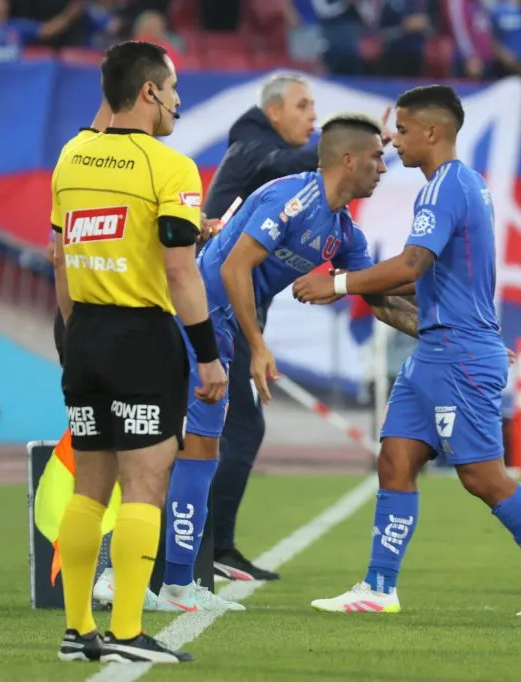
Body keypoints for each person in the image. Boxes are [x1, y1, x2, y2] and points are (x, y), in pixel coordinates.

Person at [294, 84, 521, 616]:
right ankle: (379, 587)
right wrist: (361, 283)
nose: (395, 144)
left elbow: (411, 266)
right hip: (435, 351)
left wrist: (339, 285)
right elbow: (429, 275)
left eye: (403, 132)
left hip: (459, 352)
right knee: (395, 459)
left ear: (433, 132)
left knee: (481, 475)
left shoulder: (445, 188)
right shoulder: (461, 183)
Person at [152, 112, 422, 614]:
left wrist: (444, 326)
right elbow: (235, 266)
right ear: (347, 160)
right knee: (183, 448)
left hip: (225, 329)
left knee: (202, 451)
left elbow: (380, 298)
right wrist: (258, 345)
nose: (383, 169)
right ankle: (150, 580)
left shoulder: (343, 233)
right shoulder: (292, 197)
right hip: (199, 320)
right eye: (375, 158)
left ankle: (173, 584)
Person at [51, 40, 227, 664]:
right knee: (145, 490)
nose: (179, 101)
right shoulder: (172, 167)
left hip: (86, 336)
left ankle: (78, 630)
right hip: (141, 339)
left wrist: (74, 339)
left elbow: (62, 260)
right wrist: (207, 357)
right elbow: (181, 273)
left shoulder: (71, 157)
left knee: (88, 493)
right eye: (173, 89)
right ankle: (126, 633)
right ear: (149, 91)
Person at [203, 72, 318, 583]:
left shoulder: (257, 154)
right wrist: (346, 150)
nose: (311, 117)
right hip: (211, 313)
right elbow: (289, 163)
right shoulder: (254, 150)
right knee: (235, 429)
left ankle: (205, 546)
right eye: (302, 106)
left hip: (221, 312)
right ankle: (207, 546)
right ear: (273, 112)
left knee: (222, 431)